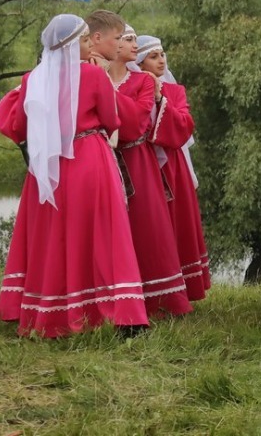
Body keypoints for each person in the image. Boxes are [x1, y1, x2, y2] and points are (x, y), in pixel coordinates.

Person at [0, 14, 148, 337]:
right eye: (86, 40)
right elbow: (112, 119)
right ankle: (120, 314)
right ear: (73, 44)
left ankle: (45, 313)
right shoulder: (92, 75)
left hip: (47, 169)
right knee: (104, 234)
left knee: (53, 236)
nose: (92, 45)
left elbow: (16, 124)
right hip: (89, 160)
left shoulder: (34, 79)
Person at [100, 16, 192, 319]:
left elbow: (134, 124)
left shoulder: (143, 82)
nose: (132, 43)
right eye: (126, 38)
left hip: (138, 161)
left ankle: (155, 298)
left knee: (146, 226)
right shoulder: (94, 76)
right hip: (101, 160)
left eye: (134, 38)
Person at [133, 35, 211, 302]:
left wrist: (158, 98)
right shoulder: (132, 89)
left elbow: (184, 125)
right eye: (153, 57)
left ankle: (180, 286)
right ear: (139, 63)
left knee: (177, 222)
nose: (161, 60)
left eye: (162, 54)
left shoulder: (174, 90)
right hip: (145, 165)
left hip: (173, 165)